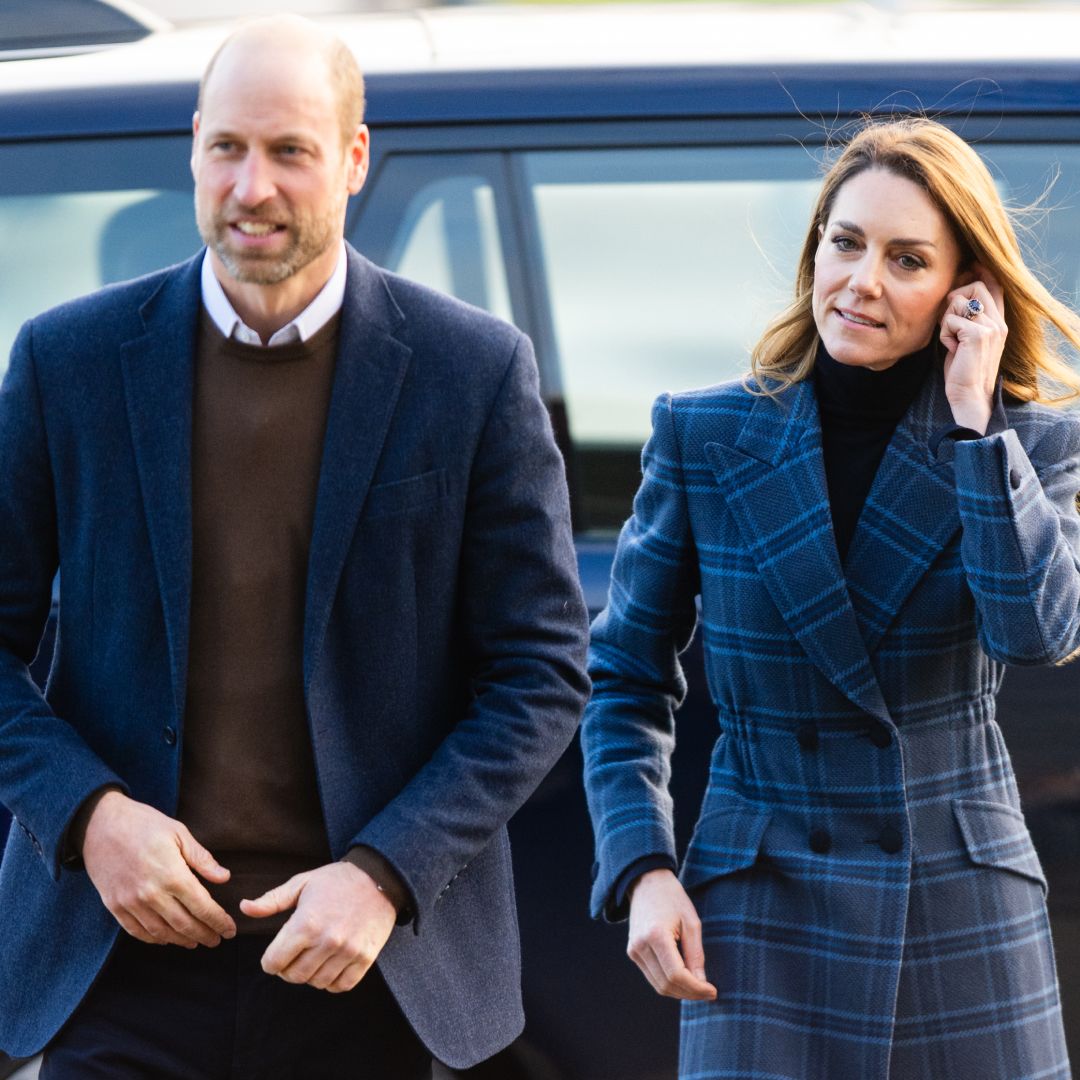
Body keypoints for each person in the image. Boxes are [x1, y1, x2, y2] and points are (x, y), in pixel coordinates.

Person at [0, 15, 589, 1078]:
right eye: (227, 148)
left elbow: (541, 674)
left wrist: (385, 874)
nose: (251, 187)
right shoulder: (64, 364)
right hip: (117, 962)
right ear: (192, 147)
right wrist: (89, 819)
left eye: (290, 151)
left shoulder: (473, 372)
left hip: (366, 967)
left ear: (354, 159)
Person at [582, 115, 1080, 1079]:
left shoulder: (1027, 444)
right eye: (846, 243)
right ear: (816, 247)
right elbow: (625, 680)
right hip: (761, 896)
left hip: (956, 894)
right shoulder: (706, 433)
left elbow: (1036, 630)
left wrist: (978, 430)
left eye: (907, 259)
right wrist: (642, 868)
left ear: (961, 290)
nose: (862, 281)